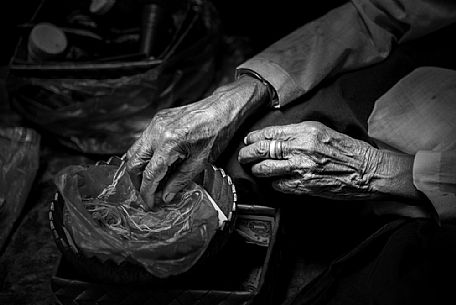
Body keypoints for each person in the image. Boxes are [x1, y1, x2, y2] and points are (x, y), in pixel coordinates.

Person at [126, 0, 456, 304]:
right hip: (435, 85)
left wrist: (380, 171)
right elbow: (379, 12)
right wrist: (241, 94)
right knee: (222, 160)